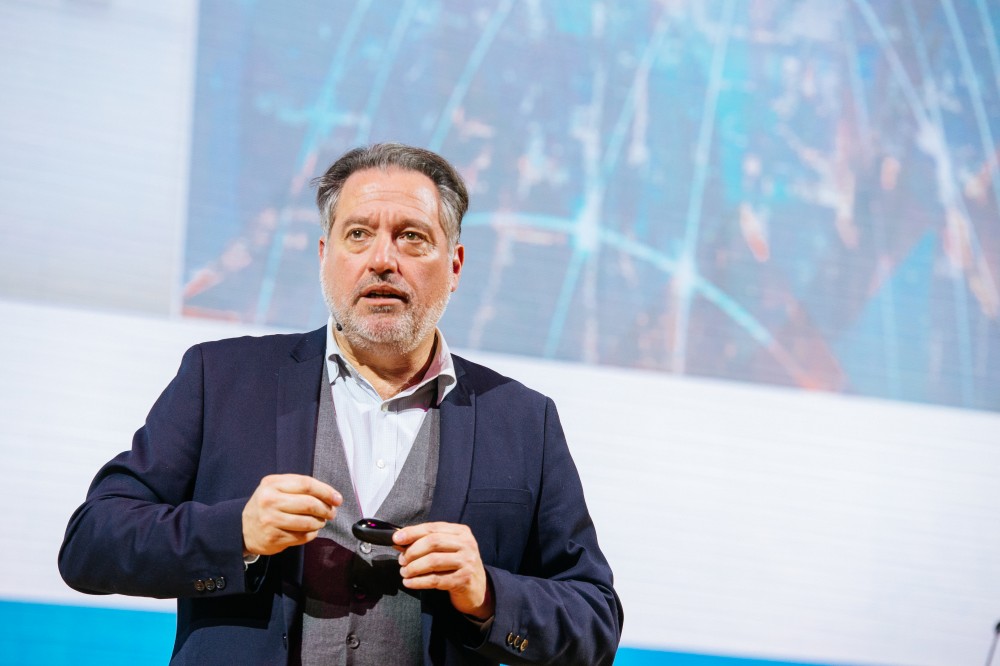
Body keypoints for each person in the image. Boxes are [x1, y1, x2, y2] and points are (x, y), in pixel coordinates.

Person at [59, 143, 623, 665]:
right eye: (358, 234)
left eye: (411, 237)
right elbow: (91, 542)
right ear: (325, 256)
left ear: (454, 266)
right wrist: (236, 531)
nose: (382, 259)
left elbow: (595, 621)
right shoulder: (221, 378)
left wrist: (487, 594)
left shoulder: (523, 421)